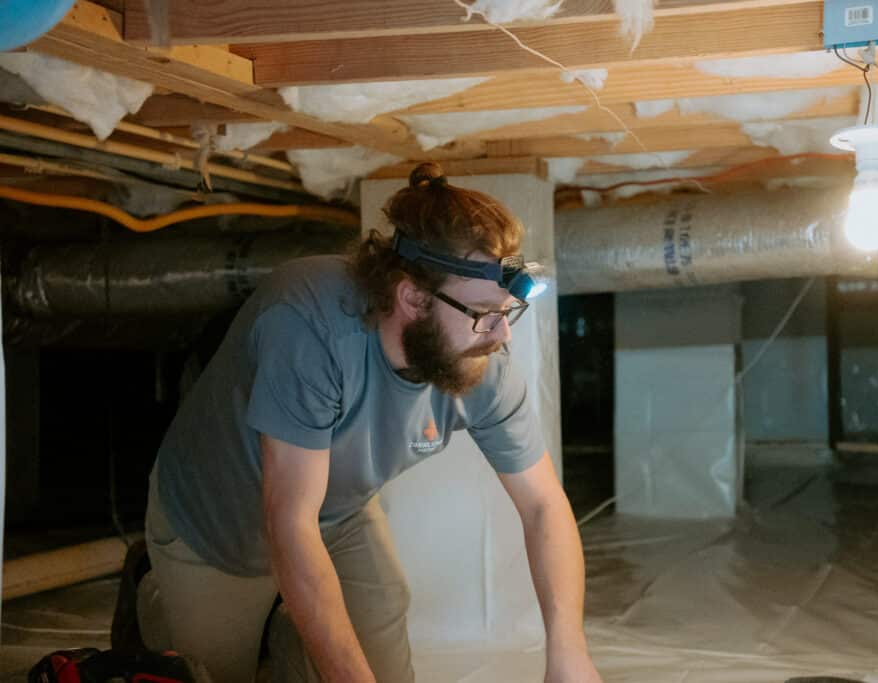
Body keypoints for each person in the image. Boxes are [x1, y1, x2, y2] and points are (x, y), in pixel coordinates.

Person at [137, 162, 603, 683]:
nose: (501, 335)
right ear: (412, 298)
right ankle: (158, 602)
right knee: (213, 672)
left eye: (506, 311)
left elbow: (543, 505)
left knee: (379, 656)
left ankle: (294, 640)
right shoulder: (308, 326)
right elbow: (287, 522)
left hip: (337, 512)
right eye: (481, 314)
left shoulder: (481, 357)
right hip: (215, 524)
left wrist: (568, 652)